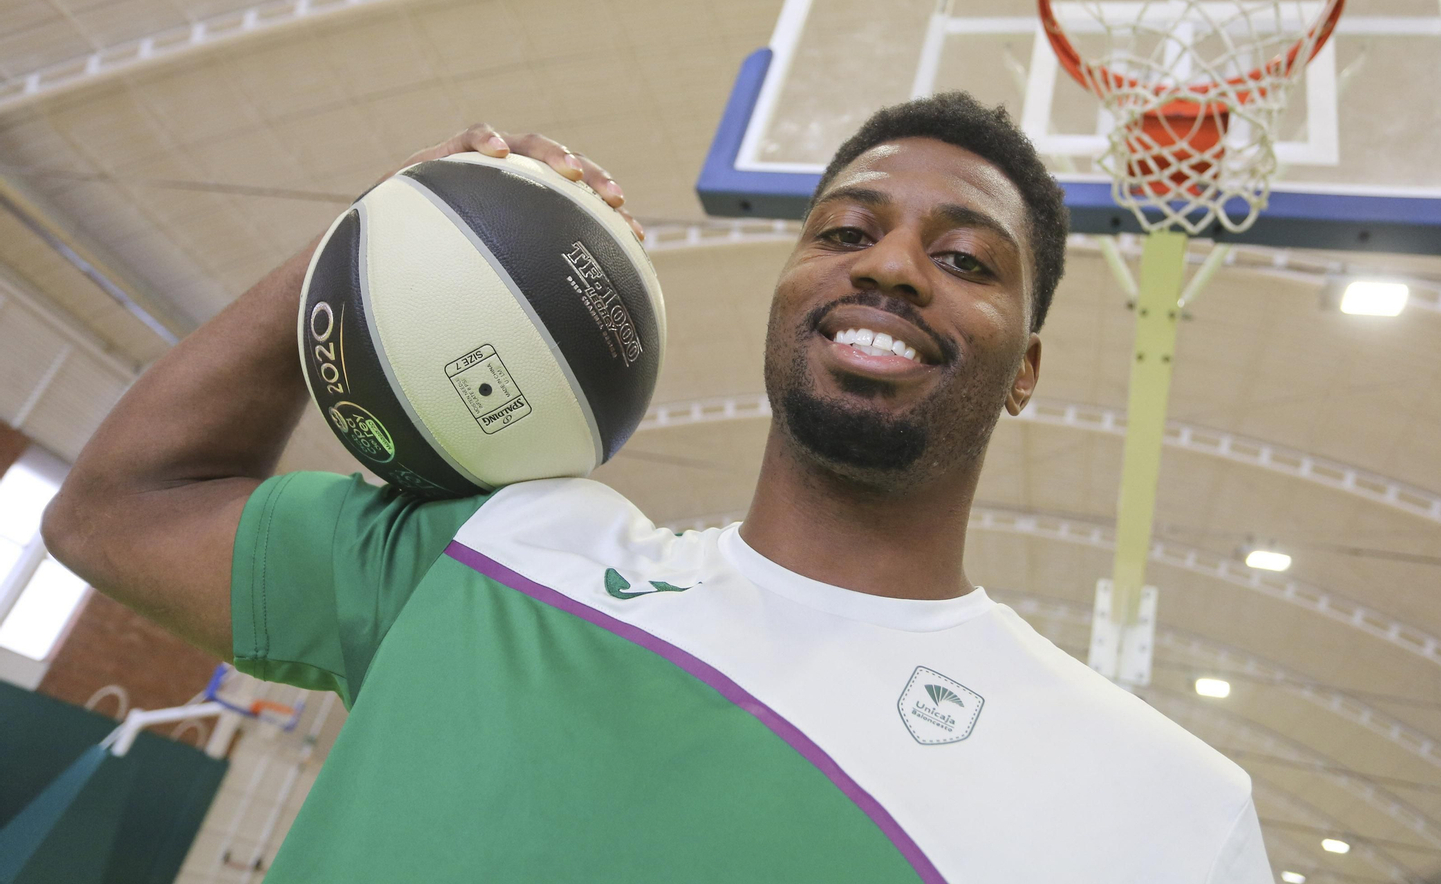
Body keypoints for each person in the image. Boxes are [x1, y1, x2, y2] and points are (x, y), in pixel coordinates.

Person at [45, 93, 1271, 882]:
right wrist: (390, 229)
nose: (891, 265)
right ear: (789, 292)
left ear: (1027, 370)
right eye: (844, 233)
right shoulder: (509, 546)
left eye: (963, 258)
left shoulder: (1163, 810)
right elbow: (113, 511)